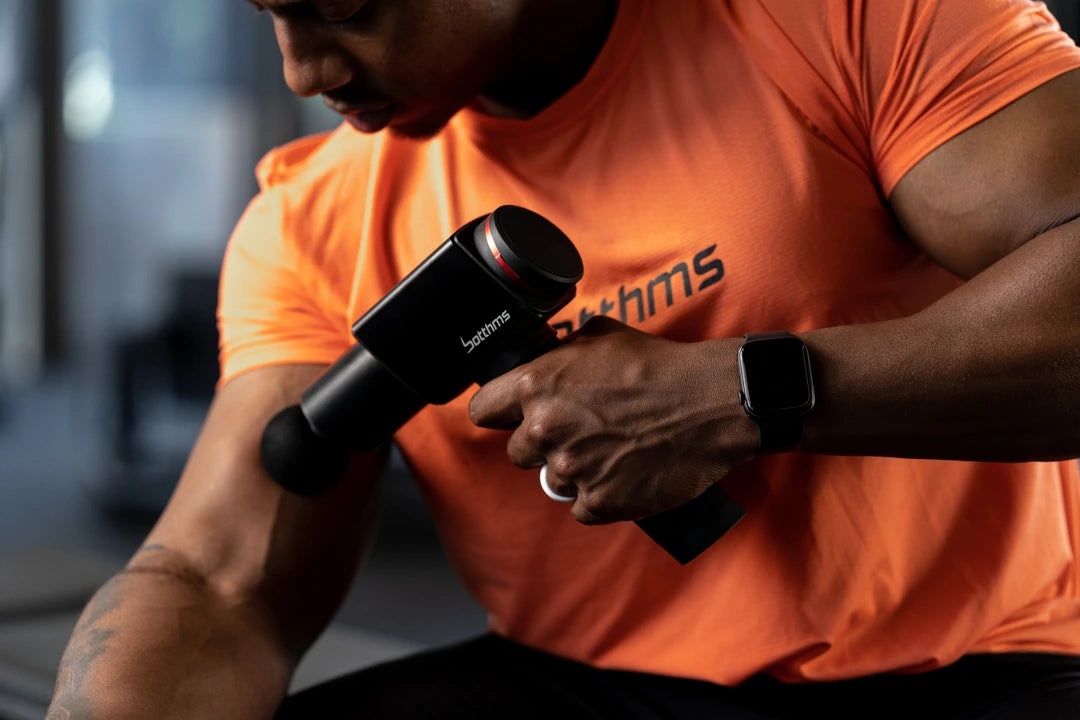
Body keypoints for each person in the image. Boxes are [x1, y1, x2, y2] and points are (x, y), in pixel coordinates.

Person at [48, 0, 1080, 718]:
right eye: (272, 16)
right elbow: (218, 579)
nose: (304, 71)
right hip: (584, 684)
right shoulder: (314, 223)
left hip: (983, 665)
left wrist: (739, 395)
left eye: (346, 10)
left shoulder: (844, 19)